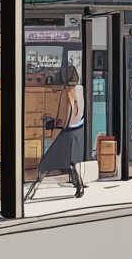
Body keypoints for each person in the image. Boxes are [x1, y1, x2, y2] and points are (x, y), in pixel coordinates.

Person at [30, 66, 87, 199]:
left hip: (66, 130)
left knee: (48, 161)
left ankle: (33, 189)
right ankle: (79, 185)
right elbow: (79, 111)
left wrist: (56, 124)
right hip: (77, 128)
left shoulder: (66, 92)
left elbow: (66, 112)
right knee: (71, 161)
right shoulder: (80, 90)